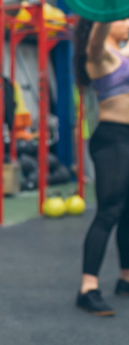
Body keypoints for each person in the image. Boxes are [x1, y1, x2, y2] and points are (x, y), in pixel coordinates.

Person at [73, 17, 129, 316]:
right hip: (113, 139)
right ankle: (87, 288)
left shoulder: (124, 53)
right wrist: (106, 4)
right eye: (124, 17)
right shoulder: (99, 56)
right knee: (109, 210)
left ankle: (125, 278)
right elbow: (97, 39)